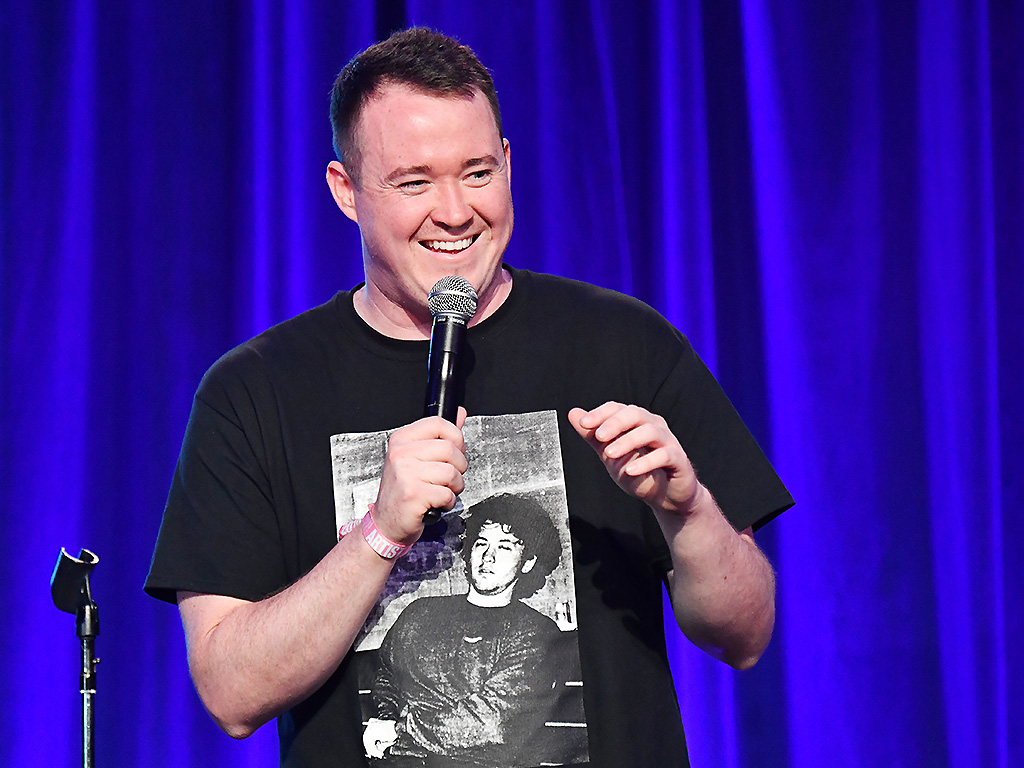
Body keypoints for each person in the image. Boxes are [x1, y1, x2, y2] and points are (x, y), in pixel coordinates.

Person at [145, 26, 793, 768]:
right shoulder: (254, 392)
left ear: (509, 163)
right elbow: (231, 692)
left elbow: (745, 635)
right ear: (346, 191)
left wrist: (689, 512)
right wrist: (380, 533)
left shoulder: (627, 345)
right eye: (414, 182)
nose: (455, 212)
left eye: (478, 173)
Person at [364, 493, 574, 767]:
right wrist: (385, 717)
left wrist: (399, 729)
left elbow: (491, 721)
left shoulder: (536, 632)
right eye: (481, 543)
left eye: (505, 547)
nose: (488, 556)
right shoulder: (420, 612)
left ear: (528, 562)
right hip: (392, 757)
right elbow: (386, 674)